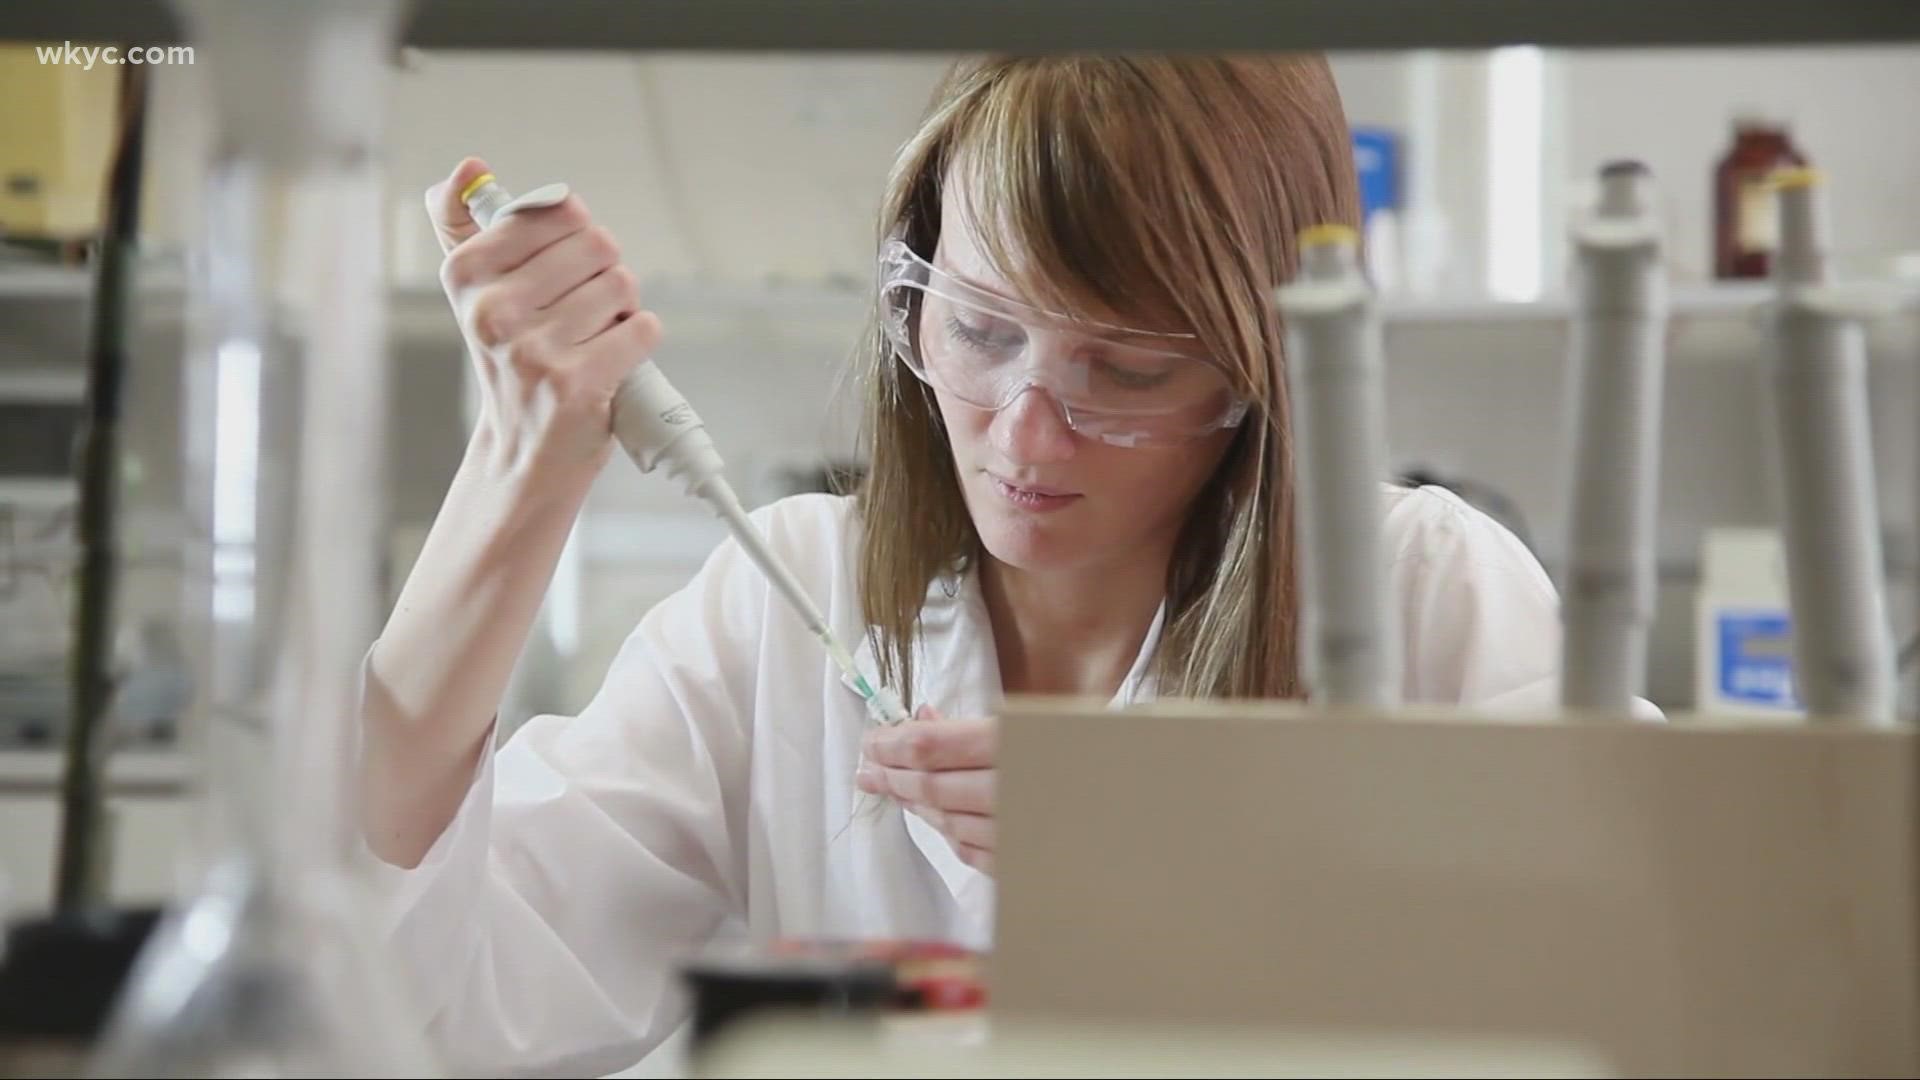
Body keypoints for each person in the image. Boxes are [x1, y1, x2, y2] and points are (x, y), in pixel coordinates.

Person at [358, 54, 1653, 1078]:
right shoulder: (787, 601)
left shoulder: (1428, 596)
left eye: (1128, 370)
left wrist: (1204, 858)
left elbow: (1662, 996)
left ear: (1265, 368)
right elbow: (418, 1008)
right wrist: (517, 478)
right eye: (979, 330)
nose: (1027, 435)